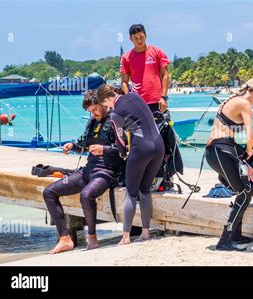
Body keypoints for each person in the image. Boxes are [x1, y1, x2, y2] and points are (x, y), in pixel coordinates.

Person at [43, 90, 122, 254]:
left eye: (94, 109)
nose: (93, 114)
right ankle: (65, 239)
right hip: (88, 170)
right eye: (90, 112)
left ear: (102, 104)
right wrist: (72, 146)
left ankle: (92, 236)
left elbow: (124, 149)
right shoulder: (92, 122)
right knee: (49, 192)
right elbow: (83, 145)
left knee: (86, 195)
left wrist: (104, 149)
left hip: (107, 171)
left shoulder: (116, 119)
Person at [96, 84, 165, 245]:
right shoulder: (135, 96)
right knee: (145, 189)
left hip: (141, 148)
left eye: (105, 105)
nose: (107, 107)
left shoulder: (115, 114)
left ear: (107, 99)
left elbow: (120, 142)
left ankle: (126, 236)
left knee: (131, 192)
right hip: (159, 146)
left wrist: (123, 154)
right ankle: (146, 232)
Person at [205, 78, 253, 251]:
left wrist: (243, 157)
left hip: (220, 151)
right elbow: (249, 135)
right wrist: (250, 152)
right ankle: (224, 241)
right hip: (220, 151)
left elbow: (227, 130)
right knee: (244, 192)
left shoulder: (230, 100)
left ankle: (236, 236)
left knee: (247, 190)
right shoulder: (244, 103)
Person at [120, 24, 170, 113]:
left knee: (162, 126)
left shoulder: (157, 52)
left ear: (146, 36)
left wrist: (164, 97)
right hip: (137, 103)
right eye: (135, 38)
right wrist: (128, 101)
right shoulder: (126, 57)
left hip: (157, 101)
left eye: (141, 37)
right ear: (131, 39)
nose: (139, 40)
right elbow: (124, 81)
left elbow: (165, 74)